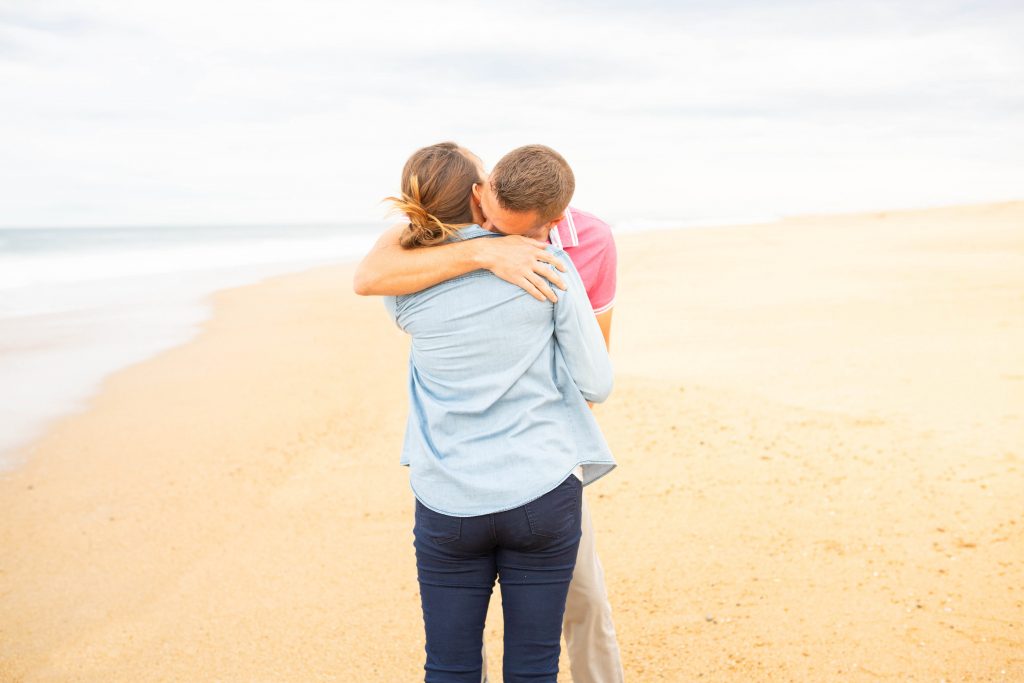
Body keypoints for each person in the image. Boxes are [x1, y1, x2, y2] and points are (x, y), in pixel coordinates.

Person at [356, 145, 624, 683]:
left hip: (448, 496)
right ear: (480, 194)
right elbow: (597, 381)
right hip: (539, 485)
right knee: (532, 667)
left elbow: (380, 269)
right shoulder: (550, 263)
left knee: (450, 666)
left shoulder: (407, 287)